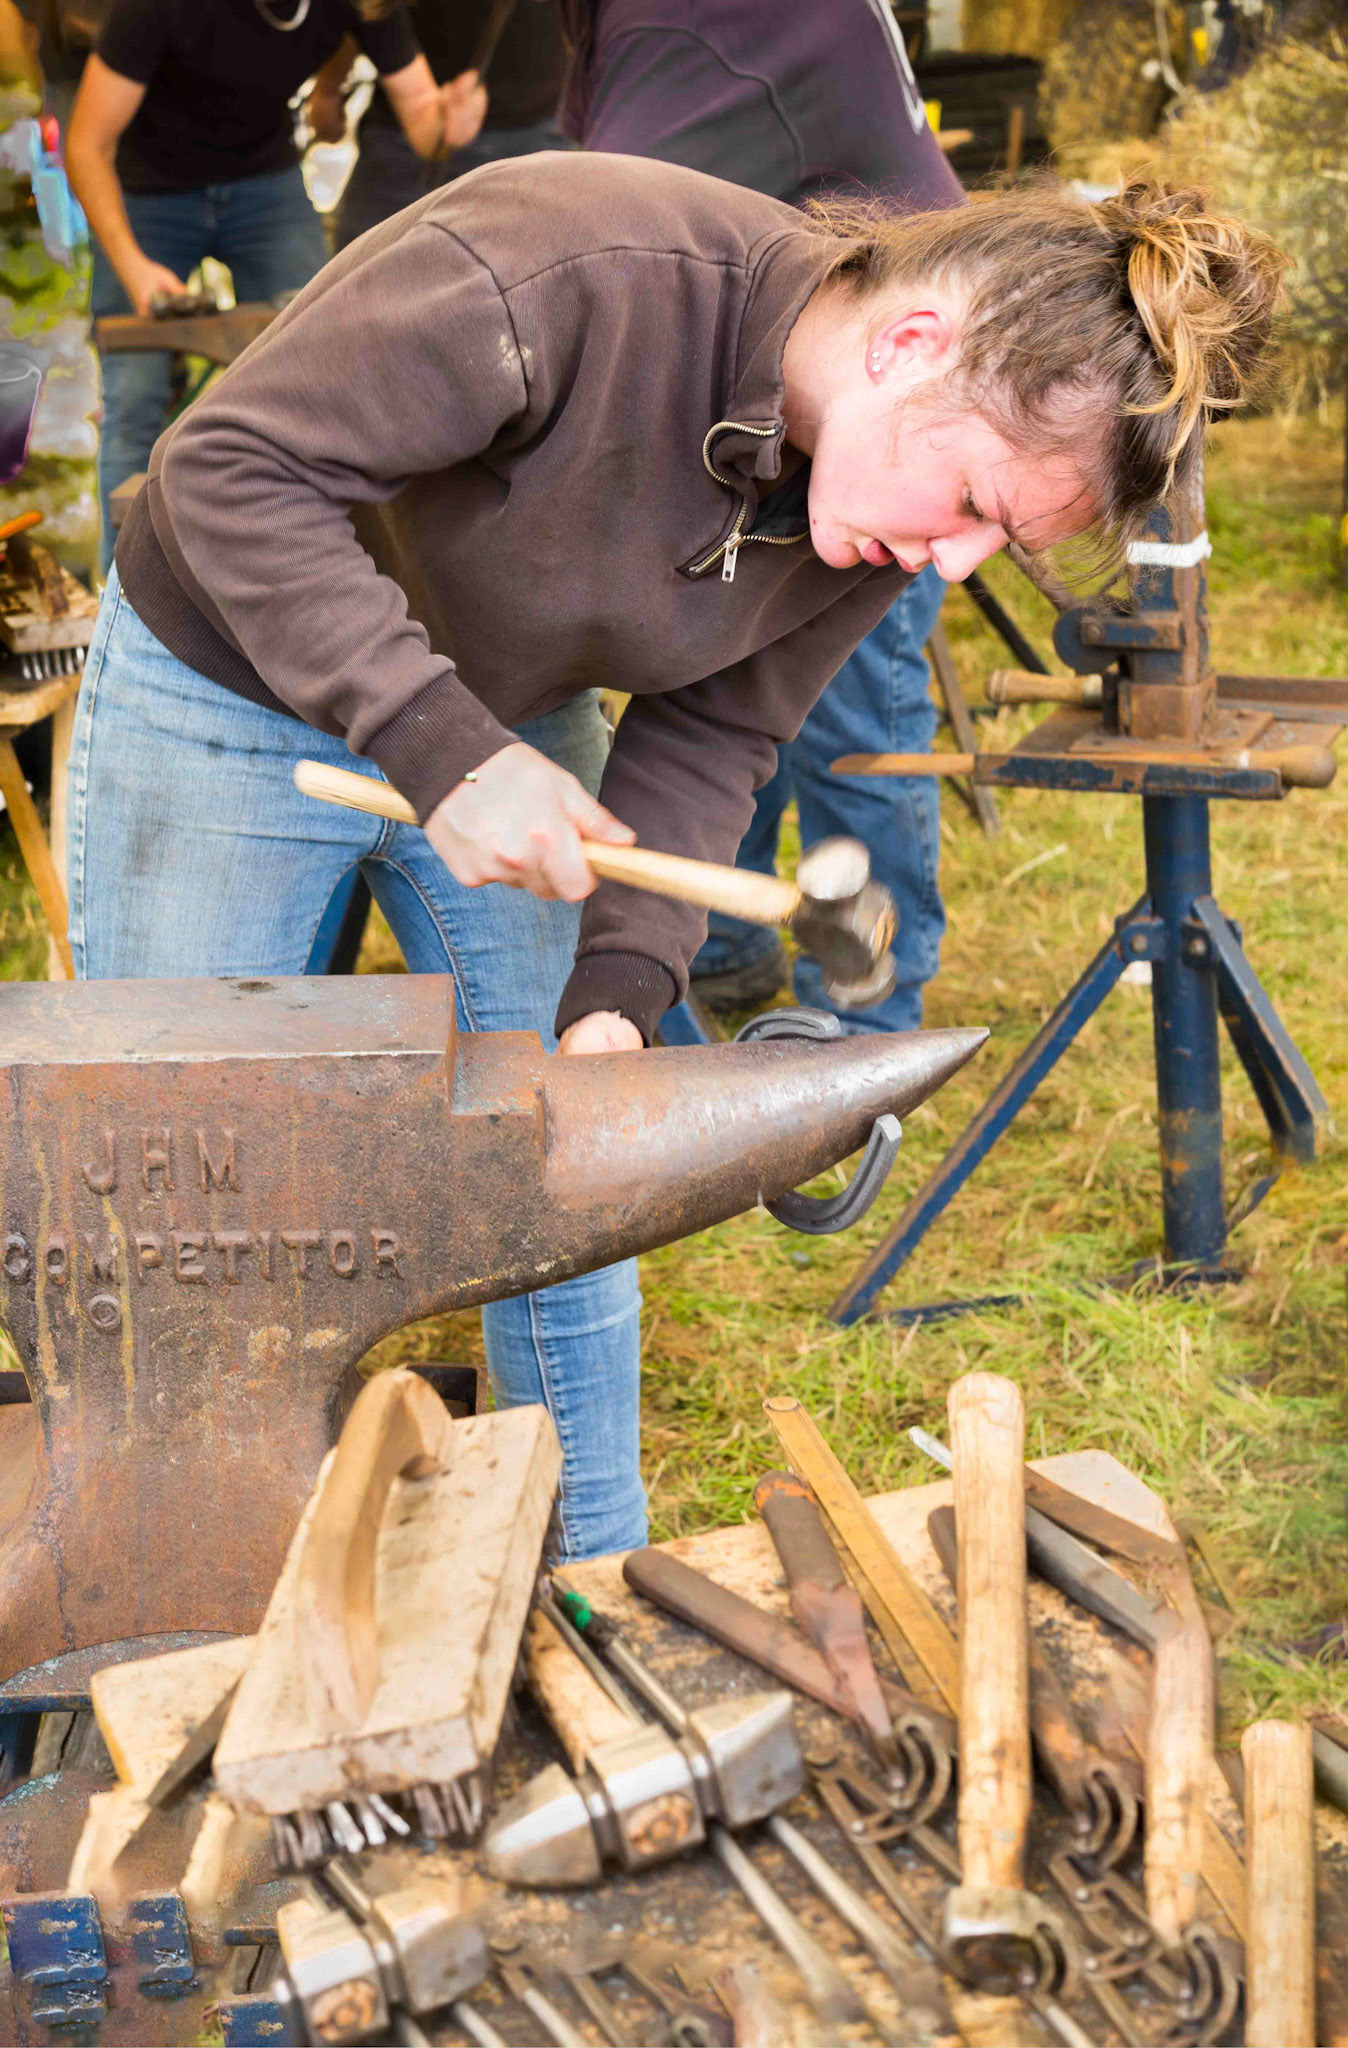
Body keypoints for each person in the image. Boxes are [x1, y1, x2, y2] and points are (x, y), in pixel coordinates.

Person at [67, 158, 1279, 1553]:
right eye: (972, 501)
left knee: (577, 1161)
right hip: (225, 680)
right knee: (177, 1181)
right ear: (910, 343)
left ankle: (597, 1575)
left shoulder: (867, 512)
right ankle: (180, 1585)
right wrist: (436, 745)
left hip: (508, 711)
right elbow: (227, 469)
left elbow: (719, 728)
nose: (953, 564)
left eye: (997, 542)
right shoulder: (570, 271)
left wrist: (617, 996)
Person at [561, 0, 962, 1027]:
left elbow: (591, 236)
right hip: (790, 429)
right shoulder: (639, 24)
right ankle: (728, 943)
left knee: (852, 732)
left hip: (886, 439)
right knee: (727, 697)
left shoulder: (692, 19)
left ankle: (865, 1027)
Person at [64, 0, 487, 562]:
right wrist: (132, 265)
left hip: (265, 185)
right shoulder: (157, 8)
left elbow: (424, 120)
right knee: (135, 400)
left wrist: (450, 123)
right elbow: (86, 146)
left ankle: (301, 573)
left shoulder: (362, 3)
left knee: (322, 377)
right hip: (150, 193)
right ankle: (124, 590)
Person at [323, 0, 568, 249]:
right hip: (401, 133)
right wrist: (328, 88)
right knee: (360, 265)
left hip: (534, 135)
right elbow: (368, 11)